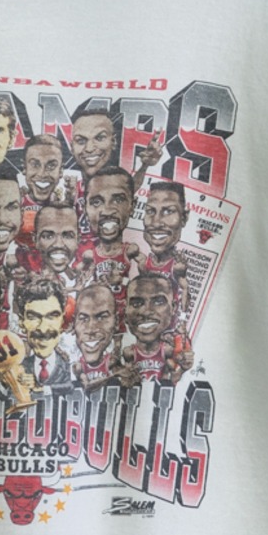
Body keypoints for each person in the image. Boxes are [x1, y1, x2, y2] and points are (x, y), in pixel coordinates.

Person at [73, 167, 139, 320]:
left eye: (118, 200)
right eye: (96, 202)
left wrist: (121, 281)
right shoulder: (88, 255)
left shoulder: (132, 250)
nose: (107, 211)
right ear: (85, 208)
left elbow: (144, 285)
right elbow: (77, 276)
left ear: (132, 206)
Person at [118, 272, 193, 385]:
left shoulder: (168, 350)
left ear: (173, 308)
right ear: (125, 312)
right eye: (136, 303)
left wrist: (182, 369)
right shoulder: (128, 352)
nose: (146, 312)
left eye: (158, 302)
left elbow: (172, 381)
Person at [135, 178, 191, 318]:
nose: (156, 222)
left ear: (184, 218)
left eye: (168, 211)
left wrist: (182, 320)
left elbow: (185, 295)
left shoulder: (177, 267)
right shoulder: (144, 264)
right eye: (150, 211)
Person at [16, 276, 75, 391]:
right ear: (22, 322)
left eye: (52, 316)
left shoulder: (70, 366)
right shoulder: (19, 368)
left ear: (62, 321)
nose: (43, 329)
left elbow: (71, 388)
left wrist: (41, 388)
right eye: (33, 317)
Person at [69, 281, 120, 392]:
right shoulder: (74, 366)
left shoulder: (114, 361)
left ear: (116, 322)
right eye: (83, 318)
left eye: (101, 318)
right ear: (73, 324)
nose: (91, 329)